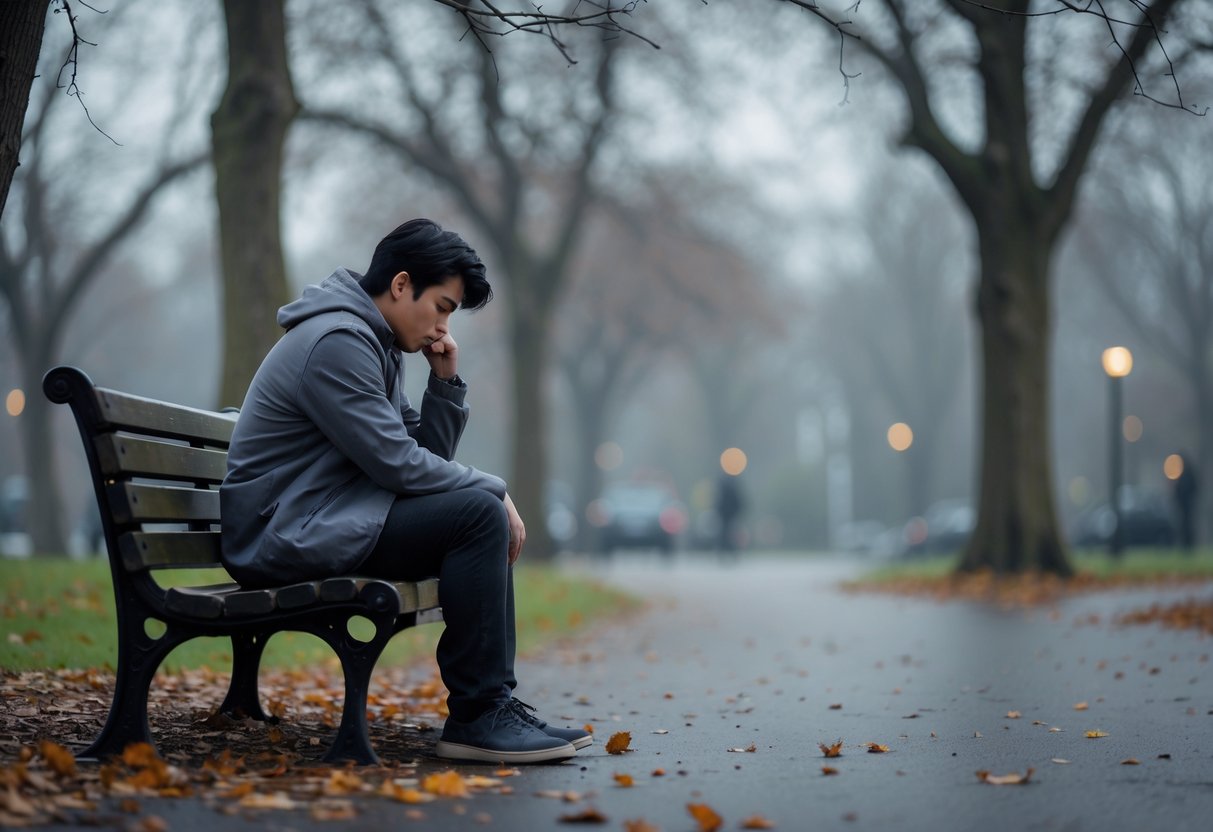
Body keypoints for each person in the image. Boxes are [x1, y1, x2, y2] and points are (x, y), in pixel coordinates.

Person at [219, 218, 589, 763]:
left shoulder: (375, 344)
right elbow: (399, 466)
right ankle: (480, 713)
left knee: (475, 509)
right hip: (283, 533)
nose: (442, 325)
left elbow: (423, 461)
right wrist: (498, 490)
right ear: (400, 285)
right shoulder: (337, 342)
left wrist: (443, 383)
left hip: (323, 517)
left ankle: (490, 706)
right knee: (480, 514)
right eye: (441, 306)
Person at [1174, 452, 1200, 552]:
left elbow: (1194, 488)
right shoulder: (1180, 474)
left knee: (1188, 525)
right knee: (1182, 526)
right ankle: (1184, 546)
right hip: (1182, 505)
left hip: (1188, 505)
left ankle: (1189, 546)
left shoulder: (1189, 474)